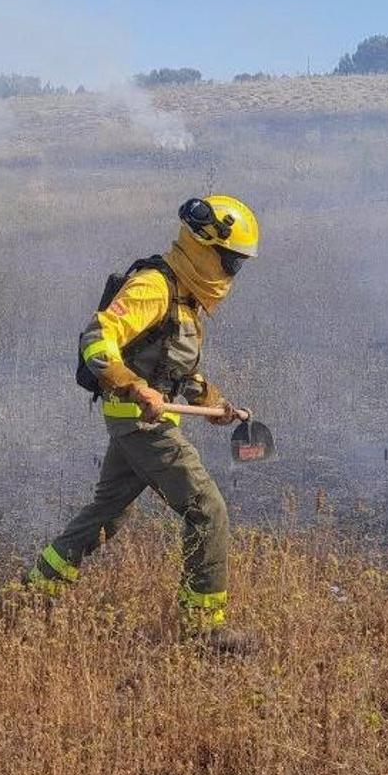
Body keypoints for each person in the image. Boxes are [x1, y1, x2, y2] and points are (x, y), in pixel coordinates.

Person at [25, 195, 263, 653]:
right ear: (202, 247)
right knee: (207, 509)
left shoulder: (186, 299)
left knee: (106, 515)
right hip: (140, 423)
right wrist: (134, 387)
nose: (231, 272)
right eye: (229, 260)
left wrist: (218, 405)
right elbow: (97, 338)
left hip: (136, 420)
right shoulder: (154, 286)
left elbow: (178, 373)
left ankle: (33, 592)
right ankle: (203, 630)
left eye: (237, 263)